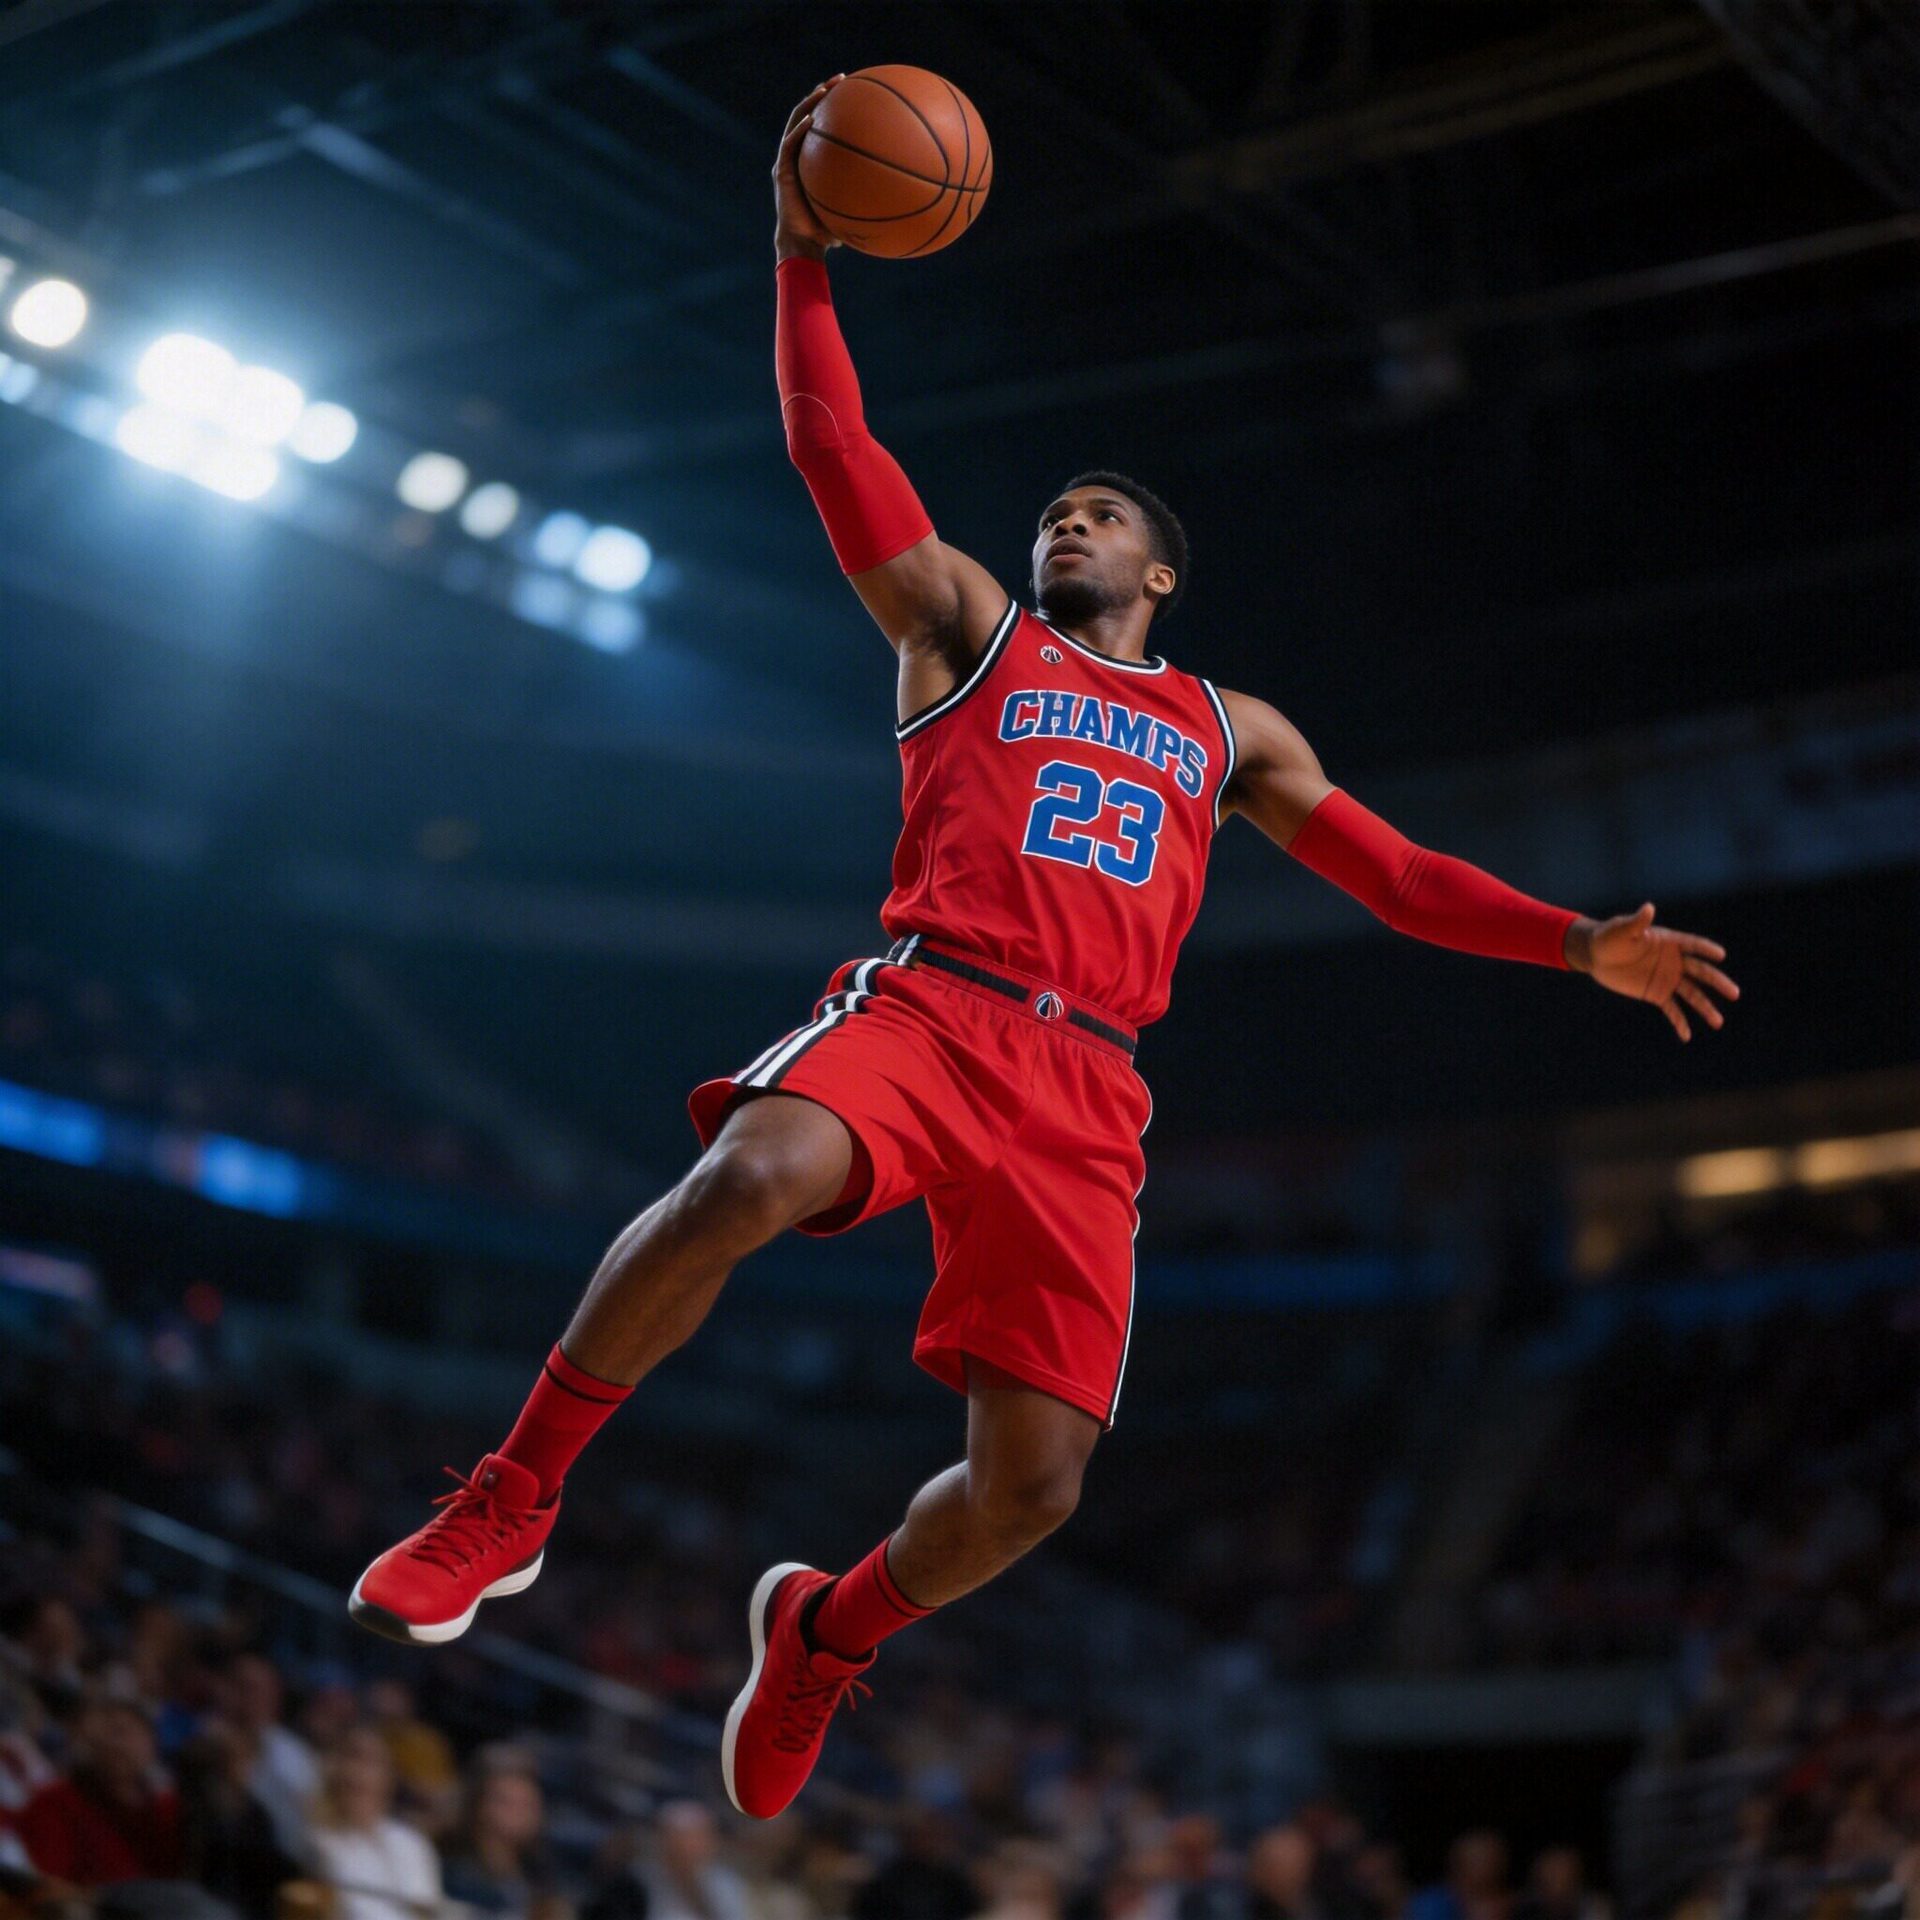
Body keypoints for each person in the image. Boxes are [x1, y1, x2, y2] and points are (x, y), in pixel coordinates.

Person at [348, 76, 1742, 1824]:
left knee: (1033, 1492)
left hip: (1090, 1085)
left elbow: (1389, 874)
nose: (1063, 524)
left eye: (1100, 515)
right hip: (940, 1005)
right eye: (1057, 511)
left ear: (1162, 571)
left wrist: (1571, 945)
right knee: (748, 1172)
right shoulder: (966, 631)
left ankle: (828, 1636)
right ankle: (512, 1498)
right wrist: (802, 251)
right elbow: (831, 451)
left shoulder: (1232, 729)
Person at [15, 1687, 183, 1886]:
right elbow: (51, 1883)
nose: (110, 1744)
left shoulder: (169, 1808)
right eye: (95, 1735)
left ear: (150, 1740)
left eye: (120, 1732)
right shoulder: (55, 1803)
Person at [306, 1724, 441, 1920]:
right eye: (353, 1758)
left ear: (390, 1776)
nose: (359, 1775)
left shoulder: (413, 1843)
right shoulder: (319, 1843)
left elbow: (429, 1911)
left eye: (372, 1762)